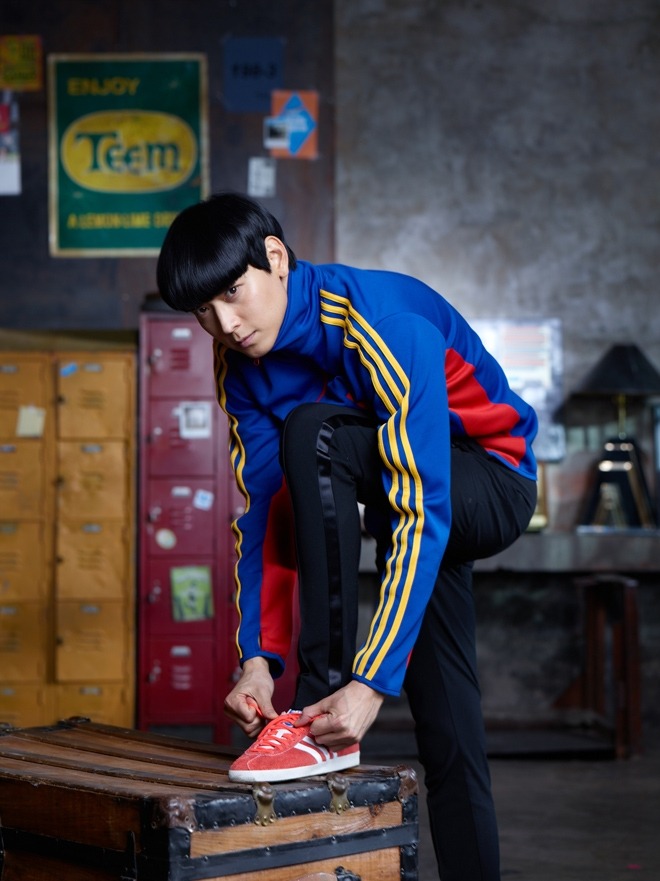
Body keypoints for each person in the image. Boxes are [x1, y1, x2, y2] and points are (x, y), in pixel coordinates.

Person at [156, 192, 538, 881]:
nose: (225, 324)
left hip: (489, 478)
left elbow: (421, 506)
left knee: (314, 432)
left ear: (275, 258)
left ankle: (320, 700)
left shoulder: (381, 322)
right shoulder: (239, 363)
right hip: (402, 497)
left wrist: (368, 682)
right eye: (203, 312)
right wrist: (258, 659)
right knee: (450, 731)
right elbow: (267, 509)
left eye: (233, 293)